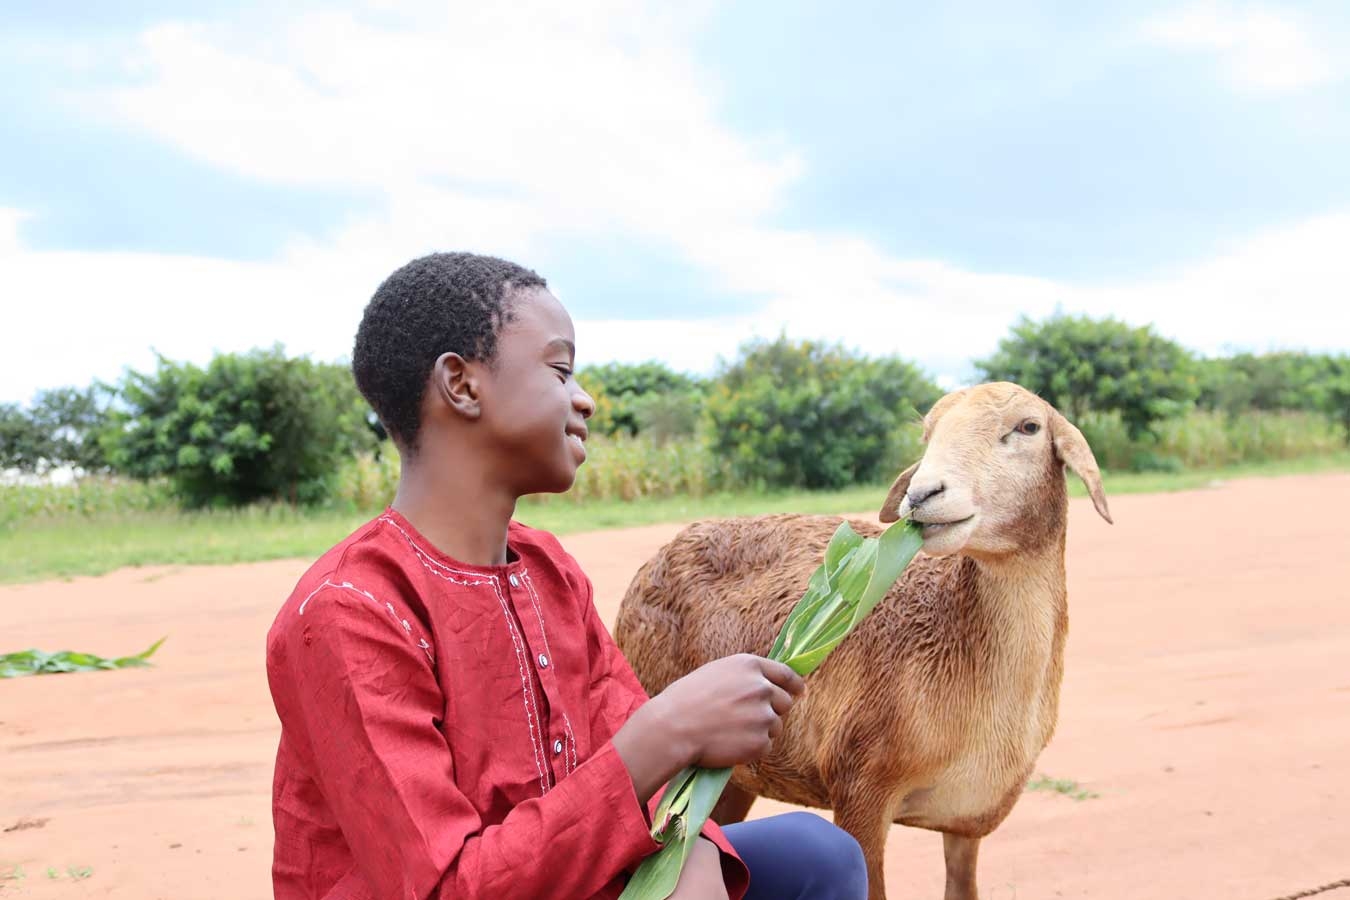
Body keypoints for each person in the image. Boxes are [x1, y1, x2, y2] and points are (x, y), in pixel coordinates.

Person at [265, 252, 869, 899]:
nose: (583, 399)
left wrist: (690, 856)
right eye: (559, 370)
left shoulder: (548, 569)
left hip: (566, 872)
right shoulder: (349, 610)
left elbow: (645, 777)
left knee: (816, 855)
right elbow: (446, 887)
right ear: (461, 385)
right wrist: (665, 734)